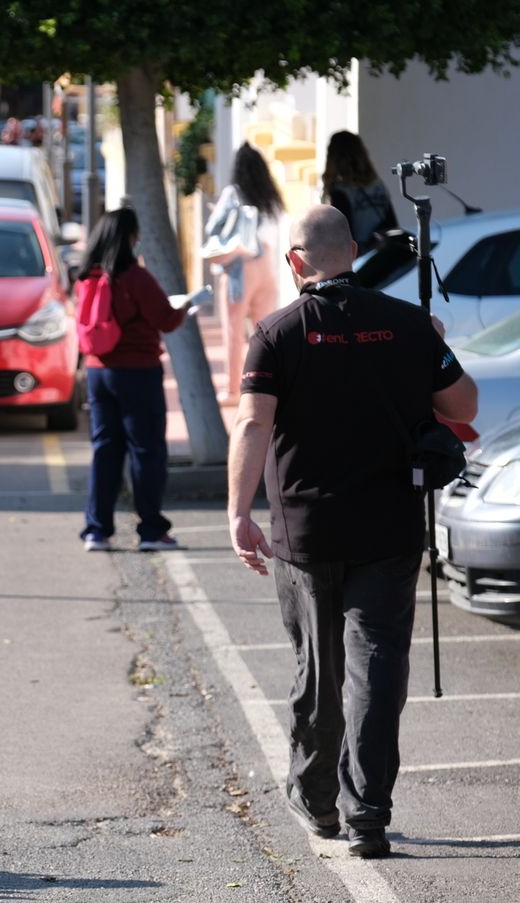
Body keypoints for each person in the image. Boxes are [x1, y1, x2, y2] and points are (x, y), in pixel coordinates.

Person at [227, 205, 477, 859]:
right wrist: (430, 347)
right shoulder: (408, 325)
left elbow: (253, 425)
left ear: (295, 261)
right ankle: (368, 812)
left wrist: (238, 513)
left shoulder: (277, 332)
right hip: (390, 527)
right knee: (377, 668)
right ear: (357, 252)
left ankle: (315, 798)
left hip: (305, 532)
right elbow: (464, 405)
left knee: (321, 668)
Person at [77, 208, 187, 553]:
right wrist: (186, 307)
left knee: (105, 450)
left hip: (97, 372)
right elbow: (166, 320)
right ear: (129, 237)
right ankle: (151, 529)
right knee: (146, 451)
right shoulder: (136, 278)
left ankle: (97, 530)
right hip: (137, 371)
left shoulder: (87, 278)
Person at [204, 143, 287, 406]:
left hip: (239, 266)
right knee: (264, 331)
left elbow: (212, 226)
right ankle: (265, 385)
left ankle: (232, 390)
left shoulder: (234, 193)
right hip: (266, 264)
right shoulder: (268, 195)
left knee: (233, 328)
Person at [323, 130, 400, 255]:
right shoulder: (378, 185)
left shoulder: (340, 192)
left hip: (362, 259)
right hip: (385, 255)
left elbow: (344, 237)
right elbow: (392, 224)